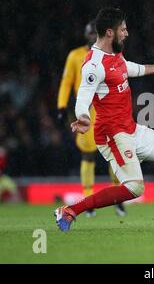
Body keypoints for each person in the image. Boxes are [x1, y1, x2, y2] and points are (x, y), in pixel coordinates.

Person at [54, 7, 154, 231]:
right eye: (123, 29)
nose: (126, 33)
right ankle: (70, 210)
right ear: (110, 32)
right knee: (135, 188)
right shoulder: (93, 64)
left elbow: (127, 68)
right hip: (112, 134)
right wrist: (82, 117)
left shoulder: (115, 54)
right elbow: (83, 96)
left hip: (130, 128)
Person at [57, 20, 126, 218]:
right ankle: (88, 201)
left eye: (95, 33)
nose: (91, 37)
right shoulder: (75, 56)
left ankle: (117, 199)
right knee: (88, 155)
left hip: (108, 107)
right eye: (89, 33)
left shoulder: (113, 53)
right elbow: (66, 82)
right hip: (86, 109)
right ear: (85, 35)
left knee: (114, 153)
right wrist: (62, 105)